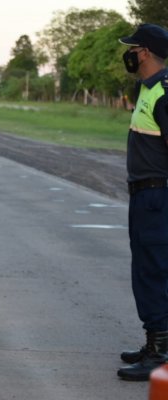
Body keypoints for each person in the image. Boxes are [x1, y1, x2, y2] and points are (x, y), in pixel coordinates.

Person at [116, 23, 168, 382]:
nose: (129, 54)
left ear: (144, 52)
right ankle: (155, 343)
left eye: (132, 48)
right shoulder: (147, 90)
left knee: (153, 272)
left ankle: (161, 351)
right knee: (147, 270)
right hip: (146, 195)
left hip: (157, 196)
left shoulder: (163, 93)